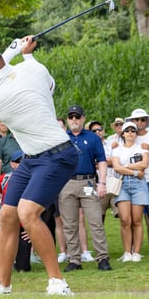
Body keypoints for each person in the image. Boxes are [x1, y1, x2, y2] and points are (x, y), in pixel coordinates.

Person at [0, 37, 77, 296]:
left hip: (58, 155)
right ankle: (3, 284)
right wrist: (25, 55)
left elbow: (11, 77)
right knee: (7, 216)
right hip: (31, 158)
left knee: (27, 213)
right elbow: (49, 84)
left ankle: (58, 283)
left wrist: (14, 51)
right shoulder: (32, 69)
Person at [58, 105, 111, 272]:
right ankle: (74, 259)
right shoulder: (60, 138)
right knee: (69, 223)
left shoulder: (93, 138)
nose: (74, 120)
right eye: (71, 117)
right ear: (67, 120)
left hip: (88, 181)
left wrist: (102, 183)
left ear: (83, 119)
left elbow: (102, 161)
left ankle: (102, 257)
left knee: (96, 221)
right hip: (66, 183)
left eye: (77, 117)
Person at [126, 108, 149, 259]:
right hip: (133, 180)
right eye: (136, 120)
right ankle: (135, 250)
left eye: (142, 120)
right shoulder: (128, 137)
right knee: (134, 219)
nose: (139, 122)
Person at [111, 121, 149, 262]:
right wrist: (134, 172)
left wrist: (125, 166)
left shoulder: (142, 148)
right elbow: (116, 167)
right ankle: (127, 252)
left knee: (137, 220)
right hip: (123, 184)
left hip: (138, 185)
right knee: (125, 219)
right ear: (123, 134)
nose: (130, 133)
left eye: (133, 131)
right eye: (127, 131)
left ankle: (136, 252)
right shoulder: (117, 149)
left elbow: (144, 164)